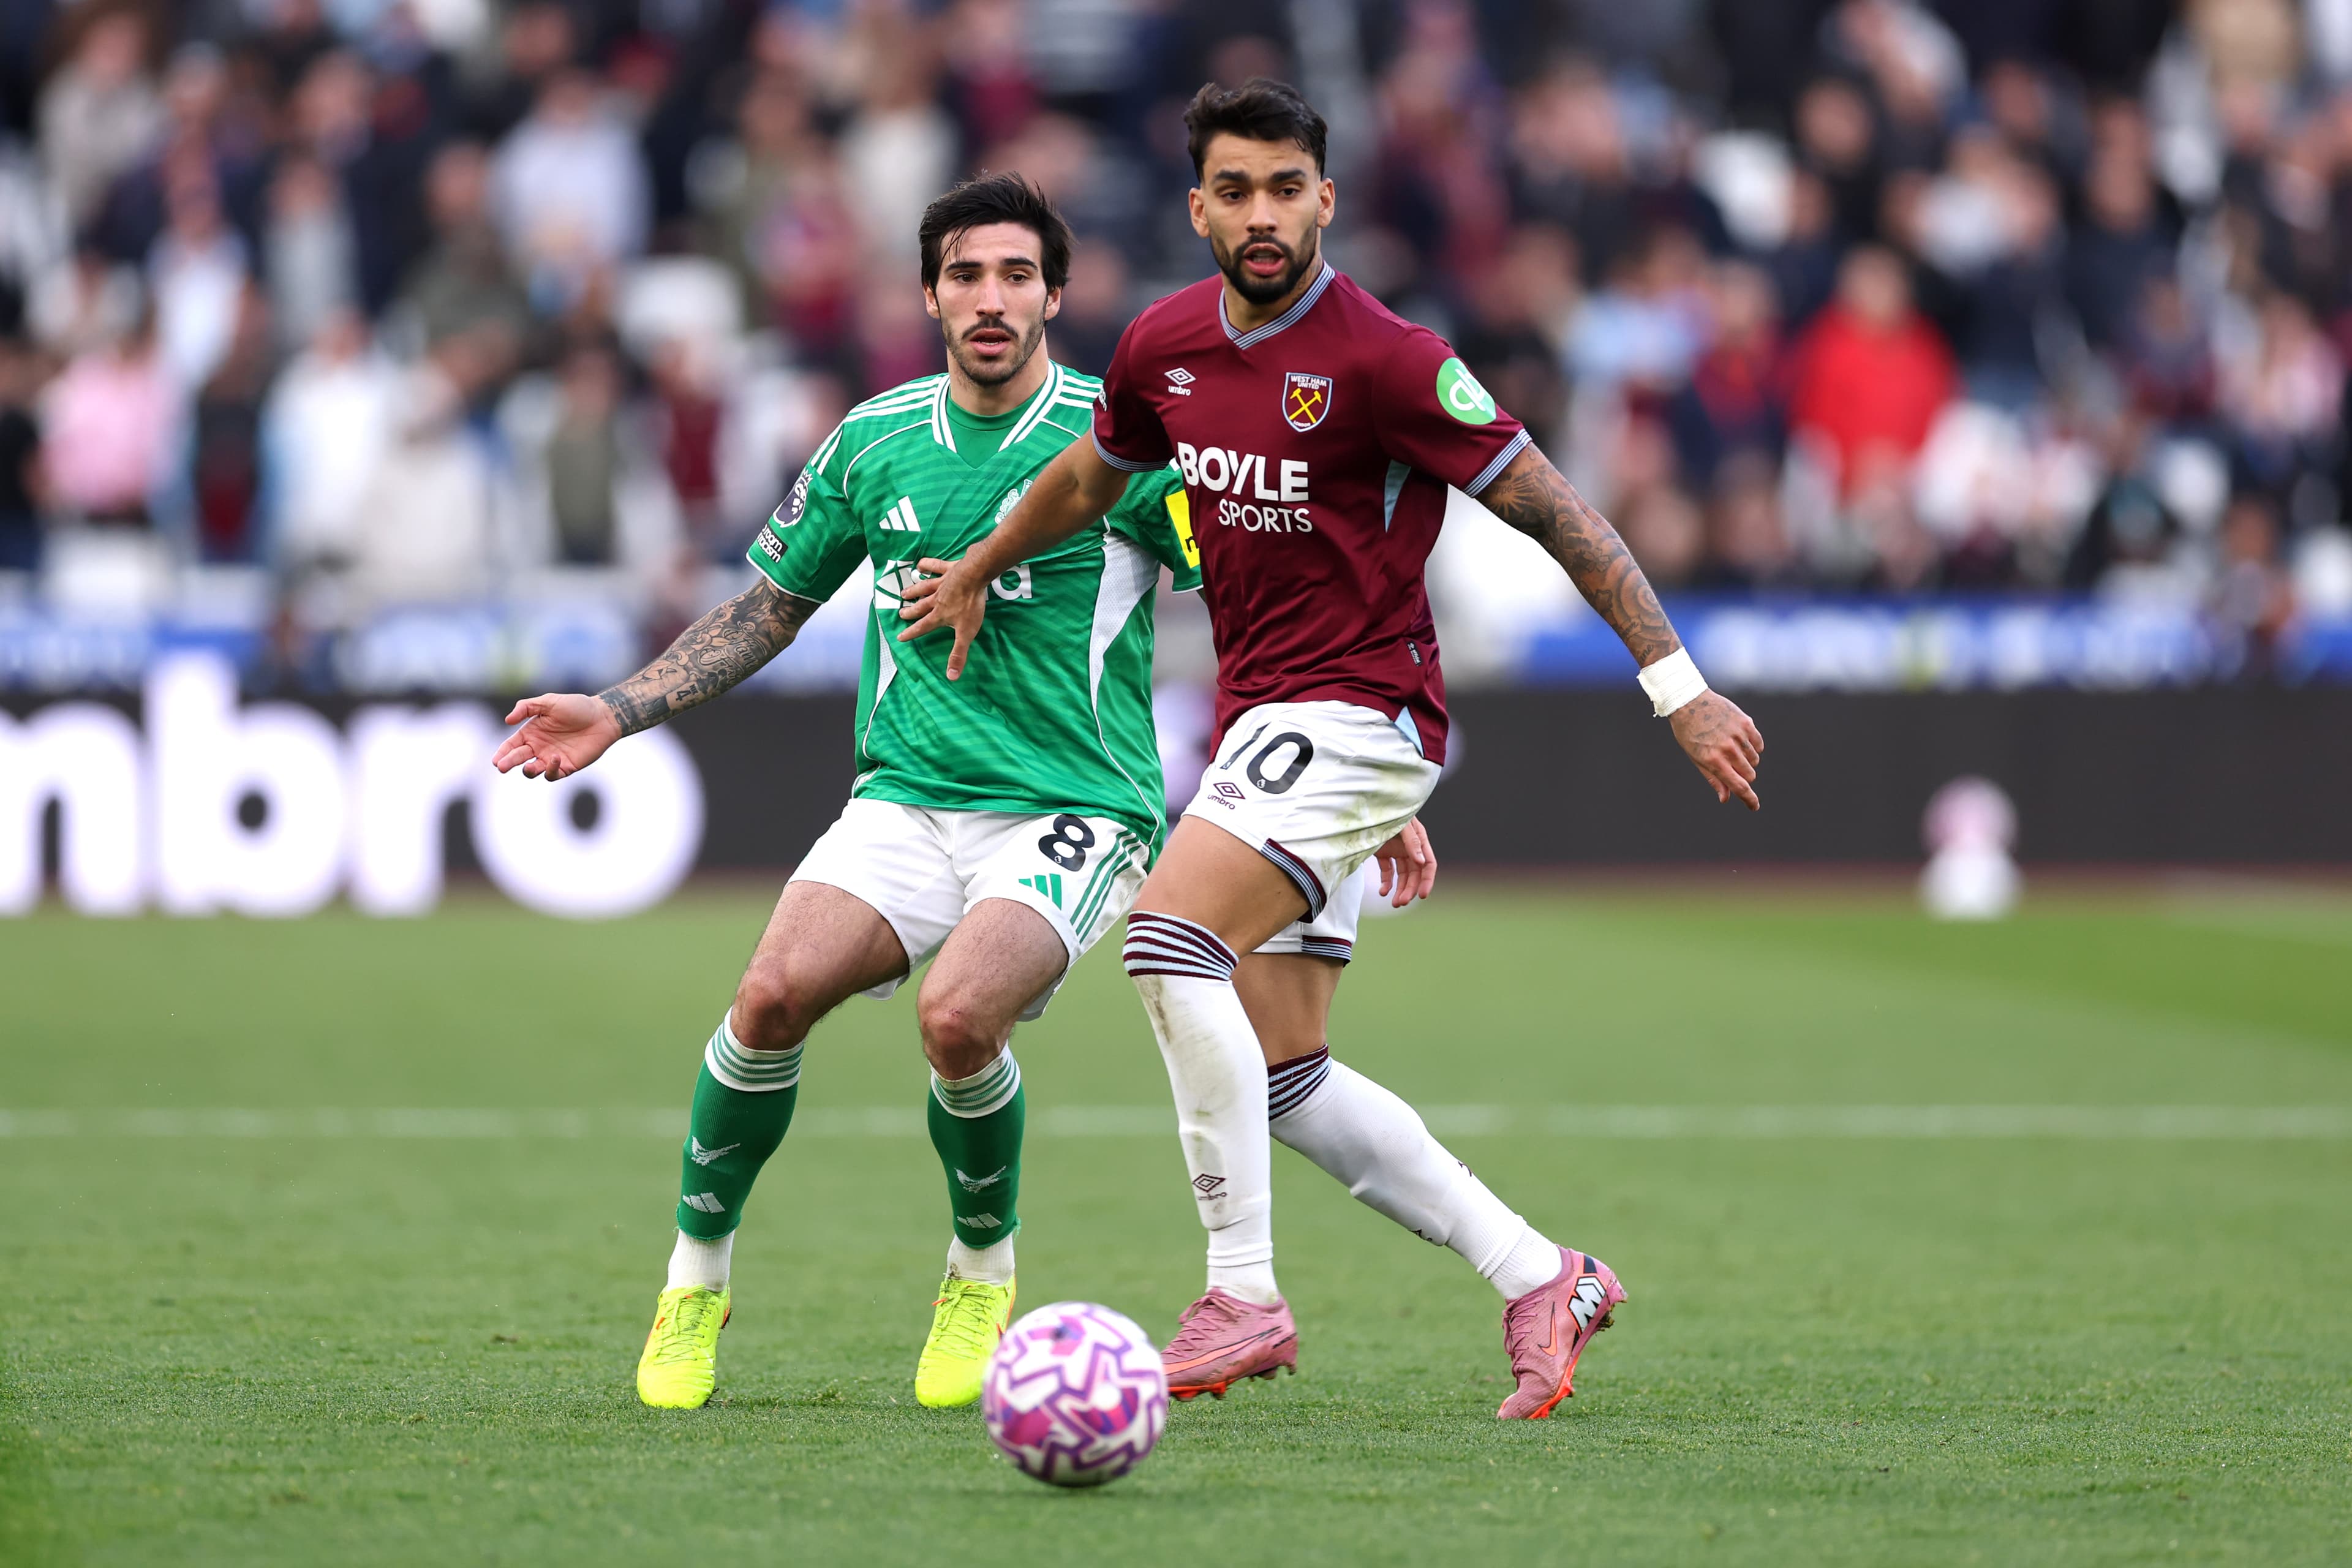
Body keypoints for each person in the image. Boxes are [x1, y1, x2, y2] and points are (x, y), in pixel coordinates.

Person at [489, 175, 1435, 1413]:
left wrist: (1350, 761)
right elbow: (768, 606)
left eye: (1014, 276)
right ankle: (693, 1282)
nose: (990, 299)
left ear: (1055, 290)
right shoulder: (871, 441)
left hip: (1077, 805)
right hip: (906, 793)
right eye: (966, 275)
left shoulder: (1128, 442)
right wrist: (619, 707)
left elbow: (1258, 602)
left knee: (955, 1016)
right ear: (929, 293)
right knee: (769, 995)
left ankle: (979, 1271)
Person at [900, 81, 1766, 1419]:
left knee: (1164, 941)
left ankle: (1240, 1290)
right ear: (1197, 207)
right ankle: (1543, 1272)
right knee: (1285, 1065)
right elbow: (1086, 475)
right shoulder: (1165, 344)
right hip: (1281, 733)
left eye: (1285, 187)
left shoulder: (1389, 358)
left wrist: (1680, 688)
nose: (1261, 214)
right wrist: (977, 567)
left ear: (1326, 198)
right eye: (1234, 190)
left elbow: (1559, 510)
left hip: (1362, 713)